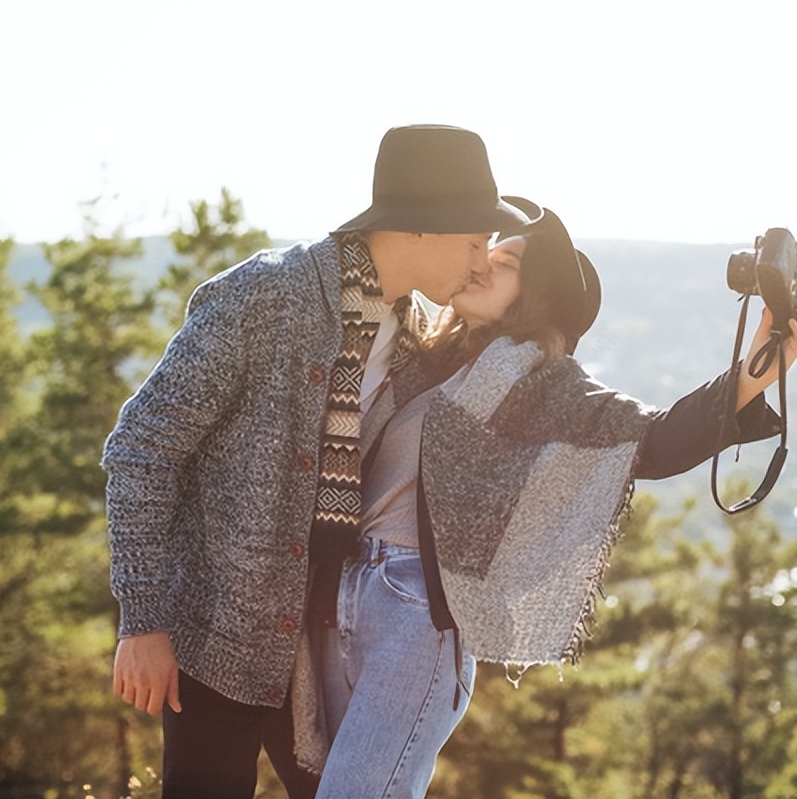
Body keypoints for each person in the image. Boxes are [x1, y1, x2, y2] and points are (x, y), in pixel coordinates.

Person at [298, 200, 797, 798]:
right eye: (489, 250)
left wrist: (764, 360)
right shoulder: (420, 363)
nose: (485, 262)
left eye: (509, 261)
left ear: (536, 295)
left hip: (413, 618)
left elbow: (656, 439)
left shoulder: (541, 382)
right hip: (343, 597)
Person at [101, 124, 539, 799]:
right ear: (419, 229)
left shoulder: (414, 342)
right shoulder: (264, 296)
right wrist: (142, 620)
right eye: (475, 241)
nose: (483, 262)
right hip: (213, 641)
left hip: (316, 647)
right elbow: (141, 448)